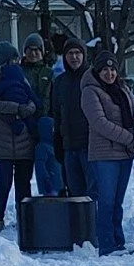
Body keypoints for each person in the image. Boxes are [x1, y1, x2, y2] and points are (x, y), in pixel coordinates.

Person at [82, 48, 134, 255]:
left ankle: (119, 241)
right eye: (105, 70)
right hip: (105, 155)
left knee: (117, 202)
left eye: (113, 70)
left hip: (125, 154)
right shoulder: (90, 91)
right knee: (106, 202)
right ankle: (107, 245)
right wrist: (129, 138)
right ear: (98, 71)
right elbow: (99, 122)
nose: (110, 74)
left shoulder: (122, 89)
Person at [0, 46, 38, 226]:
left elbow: (32, 98)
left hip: (24, 137)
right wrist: (16, 108)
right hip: (3, 138)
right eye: (13, 59)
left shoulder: (22, 76)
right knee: (5, 182)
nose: (16, 62)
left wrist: (29, 108)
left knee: (24, 183)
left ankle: (26, 219)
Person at [21, 34, 63, 196]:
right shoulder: (20, 72)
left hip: (46, 127)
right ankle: (24, 209)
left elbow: (55, 99)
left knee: (49, 168)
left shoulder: (49, 72)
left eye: (37, 50)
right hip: (26, 127)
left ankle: (50, 198)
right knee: (24, 174)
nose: (33, 53)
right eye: (30, 50)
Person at [51, 38, 91, 196]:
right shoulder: (59, 82)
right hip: (68, 146)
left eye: (78, 53)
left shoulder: (92, 78)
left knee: (92, 192)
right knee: (75, 192)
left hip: (89, 146)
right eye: (70, 53)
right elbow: (56, 114)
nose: (74, 57)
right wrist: (58, 141)